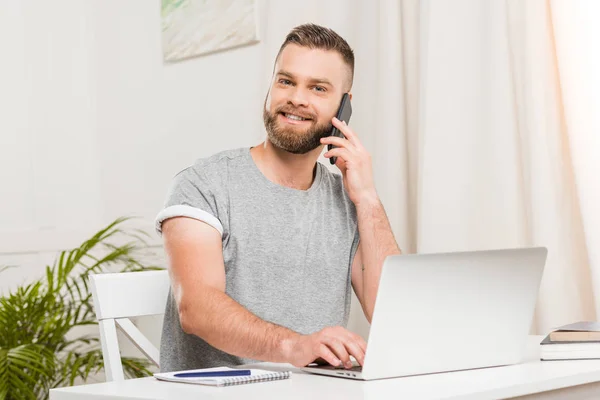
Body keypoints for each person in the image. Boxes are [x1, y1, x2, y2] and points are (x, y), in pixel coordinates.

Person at [155, 23, 402, 373]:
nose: (297, 98)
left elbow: (392, 313)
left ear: (344, 107)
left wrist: (368, 198)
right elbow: (196, 309)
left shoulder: (349, 200)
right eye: (286, 81)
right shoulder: (203, 185)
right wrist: (296, 346)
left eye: (318, 88)